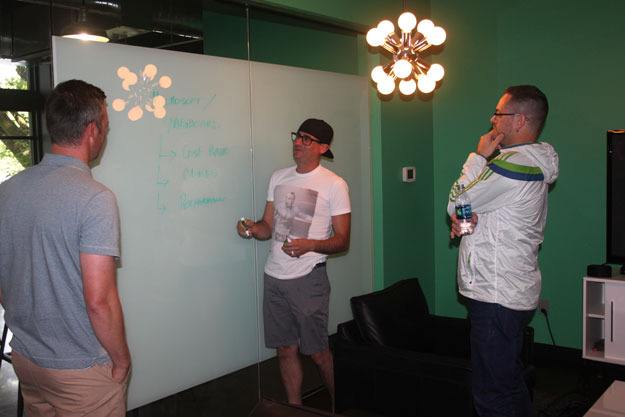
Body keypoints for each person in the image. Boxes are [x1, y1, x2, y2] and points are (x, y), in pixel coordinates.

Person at [0, 79, 131, 417]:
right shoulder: (95, 198)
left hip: (28, 361)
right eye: (105, 125)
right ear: (92, 131)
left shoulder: (8, 191)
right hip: (80, 371)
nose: (105, 134)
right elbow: (100, 301)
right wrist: (121, 360)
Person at [446, 85, 559, 416]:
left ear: (520, 120)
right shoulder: (530, 162)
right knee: (508, 382)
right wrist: (471, 219)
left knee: (492, 393)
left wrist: (478, 157)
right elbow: (482, 210)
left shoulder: (513, 164)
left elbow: (456, 201)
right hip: (511, 289)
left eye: (499, 113)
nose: (492, 119)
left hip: (496, 294)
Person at [237, 118, 351, 406]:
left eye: (306, 139)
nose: (298, 143)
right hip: (274, 277)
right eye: (297, 136)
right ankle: (294, 409)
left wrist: (310, 245)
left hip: (308, 279)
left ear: (323, 148)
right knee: (285, 350)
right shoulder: (278, 177)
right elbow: (267, 227)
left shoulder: (334, 184)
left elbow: (342, 241)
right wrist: (251, 228)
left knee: (318, 352)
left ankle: (340, 407)